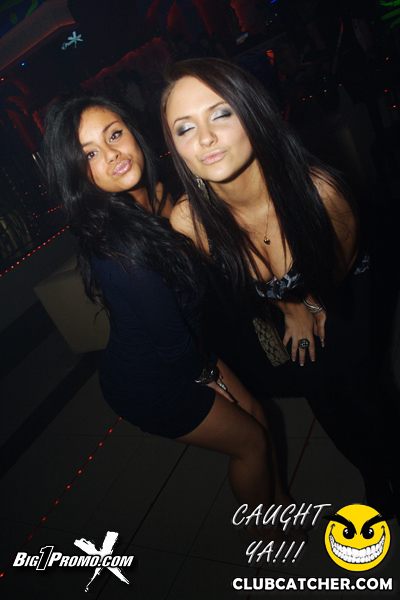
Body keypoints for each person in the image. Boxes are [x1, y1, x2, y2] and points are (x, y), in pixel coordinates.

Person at [43, 94, 301, 542]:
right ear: (78, 173)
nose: (113, 154)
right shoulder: (121, 245)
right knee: (250, 443)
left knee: (259, 415)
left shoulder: (160, 195)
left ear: (133, 130)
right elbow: (171, 345)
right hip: (151, 382)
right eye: (90, 154)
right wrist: (212, 380)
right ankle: (266, 536)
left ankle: (279, 503)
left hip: (186, 351)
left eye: (114, 134)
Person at [161, 58, 400, 520]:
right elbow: (240, 283)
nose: (205, 138)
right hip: (278, 304)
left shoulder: (321, 192)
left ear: (252, 112)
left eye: (221, 113)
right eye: (185, 128)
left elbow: (338, 269)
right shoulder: (189, 221)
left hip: (340, 289)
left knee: (363, 388)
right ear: (175, 148)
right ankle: (371, 473)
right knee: (322, 395)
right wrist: (290, 307)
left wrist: (310, 301)